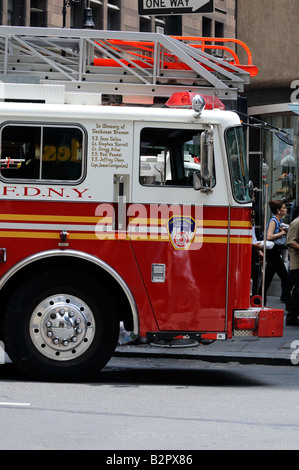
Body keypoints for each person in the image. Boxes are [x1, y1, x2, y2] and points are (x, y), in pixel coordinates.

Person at [260, 200, 292, 309]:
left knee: (268, 279)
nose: (286, 209)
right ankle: (289, 304)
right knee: (285, 278)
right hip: (272, 252)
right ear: (278, 210)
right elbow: (269, 236)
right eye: (283, 208)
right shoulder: (274, 221)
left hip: (274, 252)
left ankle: (259, 300)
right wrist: (283, 233)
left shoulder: (279, 220)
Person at [286, 216, 299, 326]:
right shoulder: (296, 223)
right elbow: (291, 241)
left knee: (296, 293)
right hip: (297, 264)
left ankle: (291, 317)